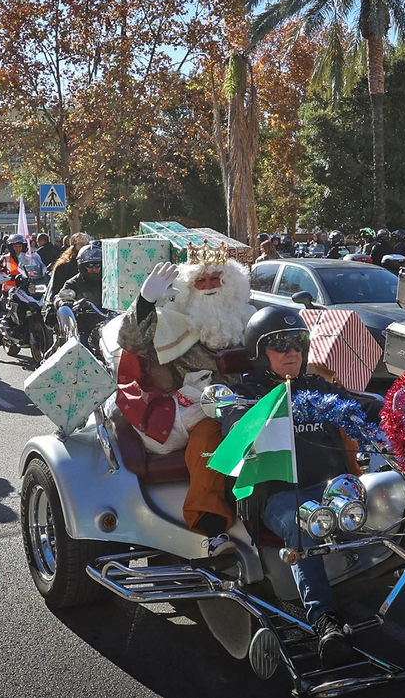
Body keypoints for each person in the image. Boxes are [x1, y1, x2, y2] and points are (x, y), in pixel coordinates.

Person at [238, 305, 364, 666]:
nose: (292, 351)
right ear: (260, 353)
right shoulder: (246, 392)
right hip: (279, 496)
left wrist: (400, 407)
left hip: (334, 488)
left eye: (298, 341)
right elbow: (235, 428)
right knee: (305, 519)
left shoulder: (316, 386)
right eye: (280, 343)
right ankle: (324, 620)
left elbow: (357, 406)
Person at [103, 248, 254, 534]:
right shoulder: (173, 318)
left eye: (215, 279)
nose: (208, 286)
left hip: (254, 399)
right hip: (205, 410)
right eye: (201, 281)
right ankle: (208, 520)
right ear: (189, 287)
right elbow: (130, 341)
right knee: (208, 440)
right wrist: (146, 301)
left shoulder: (248, 316)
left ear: (230, 283)